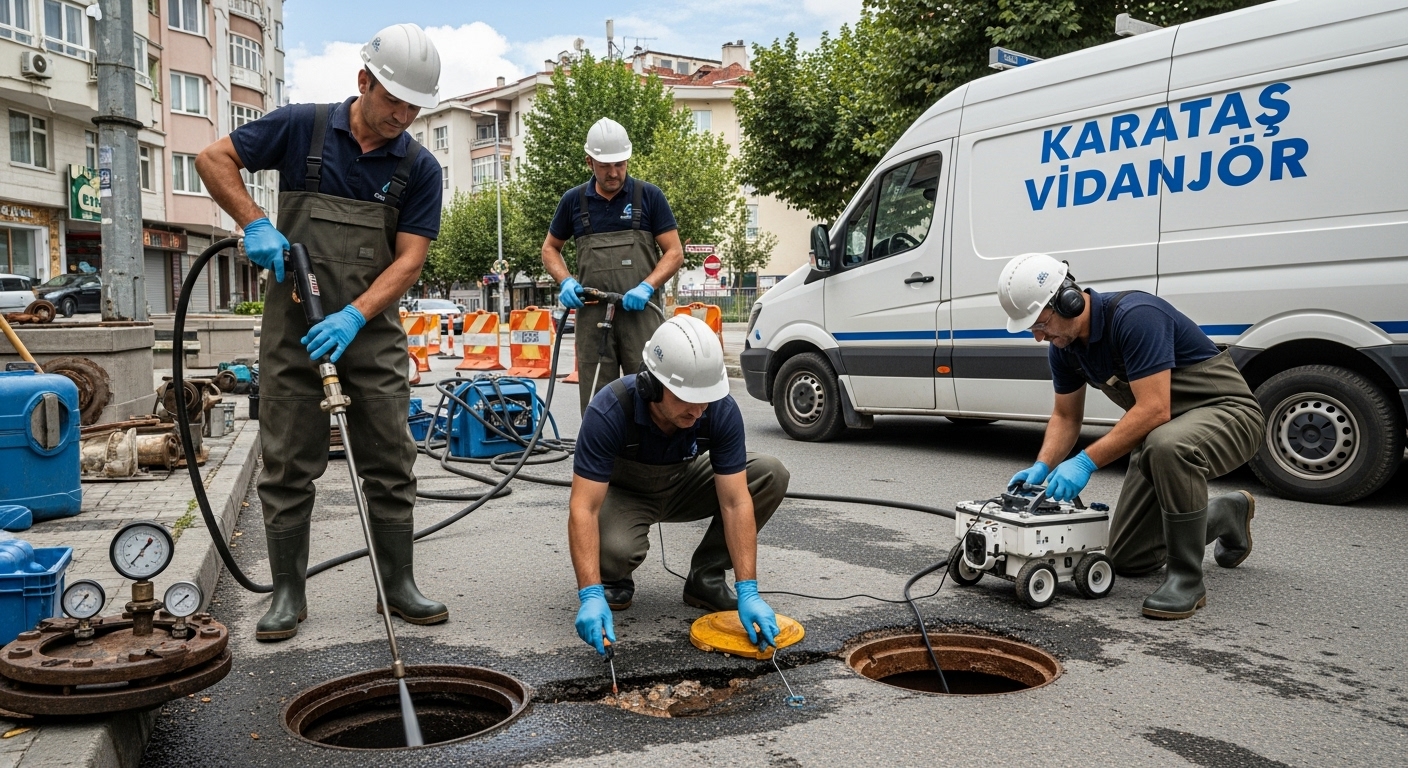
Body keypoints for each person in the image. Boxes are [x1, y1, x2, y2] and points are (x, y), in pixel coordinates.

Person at [196, 23, 447, 640]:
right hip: (291, 331)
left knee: (392, 461)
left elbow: (409, 261)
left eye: (415, 107)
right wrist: (255, 221)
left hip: (371, 332)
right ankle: (288, 594)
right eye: (395, 100)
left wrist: (354, 315)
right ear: (364, 81)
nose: (403, 116)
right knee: (287, 462)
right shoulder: (302, 128)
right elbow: (213, 158)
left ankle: (398, 586)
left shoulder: (419, 167)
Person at [997, 253, 1264, 620]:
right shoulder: (1066, 350)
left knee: (1168, 445)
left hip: (1230, 415)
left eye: (1041, 323)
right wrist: (1042, 466)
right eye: (1032, 329)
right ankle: (1225, 514)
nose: (1039, 336)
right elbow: (1066, 416)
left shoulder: (1135, 316)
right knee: (1127, 558)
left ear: (1068, 301)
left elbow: (1155, 409)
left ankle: (1186, 580)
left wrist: (1085, 462)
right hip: (1161, 437)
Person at [568, 316, 790, 654]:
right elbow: (584, 507)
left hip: (685, 482)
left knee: (769, 473)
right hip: (628, 494)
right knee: (614, 551)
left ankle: (706, 578)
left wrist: (748, 589)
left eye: (706, 398)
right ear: (652, 385)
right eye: (687, 398)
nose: (699, 411)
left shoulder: (718, 409)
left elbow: (735, 502)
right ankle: (611, 577)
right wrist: (589, 593)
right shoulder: (610, 410)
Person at [540, 118, 685, 413]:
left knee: (649, 392)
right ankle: (599, 444)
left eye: (620, 164)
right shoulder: (574, 202)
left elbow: (674, 252)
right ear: (589, 162)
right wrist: (565, 280)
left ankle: (648, 445)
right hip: (593, 315)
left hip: (640, 315)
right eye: (605, 166)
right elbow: (550, 249)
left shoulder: (649, 197)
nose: (614, 173)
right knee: (598, 399)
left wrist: (647, 286)